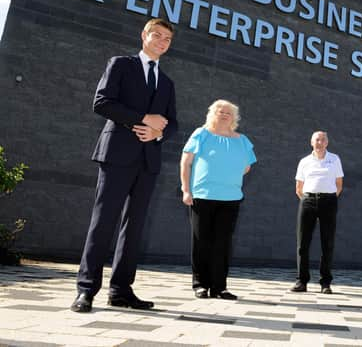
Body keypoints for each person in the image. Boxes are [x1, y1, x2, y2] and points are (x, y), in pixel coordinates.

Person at [71, 19, 178, 313]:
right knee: (103, 221)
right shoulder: (120, 64)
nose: (161, 41)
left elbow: (173, 124)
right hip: (117, 154)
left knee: (134, 228)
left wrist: (158, 132)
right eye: (157, 35)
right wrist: (143, 119)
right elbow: (101, 102)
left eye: (167, 39)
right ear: (144, 36)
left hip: (148, 160)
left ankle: (121, 290)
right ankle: (86, 290)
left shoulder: (167, 83)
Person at [180, 99, 256, 300]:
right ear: (212, 114)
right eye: (219, 111)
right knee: (201, 240)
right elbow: (186, 162)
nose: (223, 114)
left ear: (234, 117)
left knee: (223, 243)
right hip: (202, 196)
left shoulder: (243, 140)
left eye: (228, 112)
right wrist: (186, 189)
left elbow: (248, 166)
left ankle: (219, 287)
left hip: (230, 198)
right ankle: (200, 285)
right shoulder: (201, 134)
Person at [290, 131, 344, 294]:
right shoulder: (304, 161)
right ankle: (302, 281)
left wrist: (328, 199)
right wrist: (309, 199)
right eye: (317, 140)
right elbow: (299, 188)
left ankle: (325, 282)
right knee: (303, 243)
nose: (320, 142)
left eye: (323, 140)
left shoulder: (334, 159)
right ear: (311, 142)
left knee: (327, 243)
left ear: (327, 142)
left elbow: (339, 184)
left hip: (328, 202)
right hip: (307, 201)